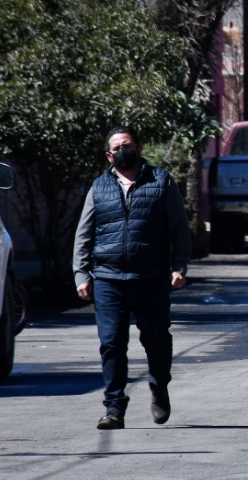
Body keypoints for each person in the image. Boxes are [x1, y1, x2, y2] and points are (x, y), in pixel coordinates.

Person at [73, 126, 191, 430]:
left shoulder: (160, 181)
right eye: (116, 147)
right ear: (108, 155)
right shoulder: (99, 187)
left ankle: (158, 386)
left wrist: (179, 267)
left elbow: (179, 228)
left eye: (127, 144)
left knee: (156, 338)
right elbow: (84, 234)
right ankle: (114, 408)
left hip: (150, 277)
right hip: (109, 278)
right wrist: (81, 273)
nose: (122, 150)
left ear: (138, 147)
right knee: (111, 342)